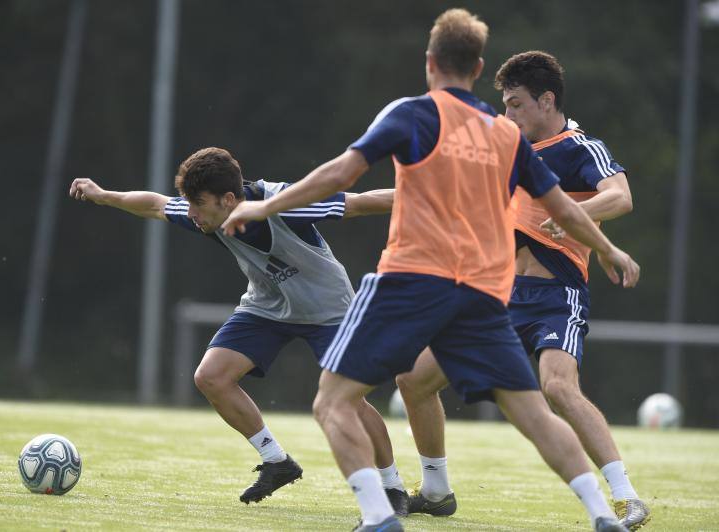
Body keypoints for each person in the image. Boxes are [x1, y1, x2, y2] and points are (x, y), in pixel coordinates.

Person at [222, 8, 639, 532]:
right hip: (486, 290)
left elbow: (342, 172)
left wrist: (263, 207)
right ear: (478, 65)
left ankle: (379, 517)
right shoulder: (501, 132)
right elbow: (562, 206)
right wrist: (609, 249)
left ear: (430, 62)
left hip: (413, 280)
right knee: (530, 409)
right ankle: (602, 515)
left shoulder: (413, 114)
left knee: (333, 400)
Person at [68, 147, 410, 513]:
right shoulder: (205, 213)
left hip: (328, 308)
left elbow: (358, 202)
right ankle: (277, 462)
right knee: (211, 376)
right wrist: (104, 196)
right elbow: (154, 204)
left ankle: (393, 487)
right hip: (267, 306)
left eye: (198, 204)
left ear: (229, 199)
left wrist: (434, 197)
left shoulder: (284, 202)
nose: (192, 214)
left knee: (349, 401)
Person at [395, 50, 651, 530]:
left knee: (558, 387)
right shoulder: (507, 151)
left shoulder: (579, 147)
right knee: (413, 379)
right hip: (496, 297)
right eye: (505, 105)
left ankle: (626, 497)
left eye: (515, 104)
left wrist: (578, 216)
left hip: (557, 296)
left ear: (546, 100)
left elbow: (621, 196)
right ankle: (435, 489)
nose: (507, 114)